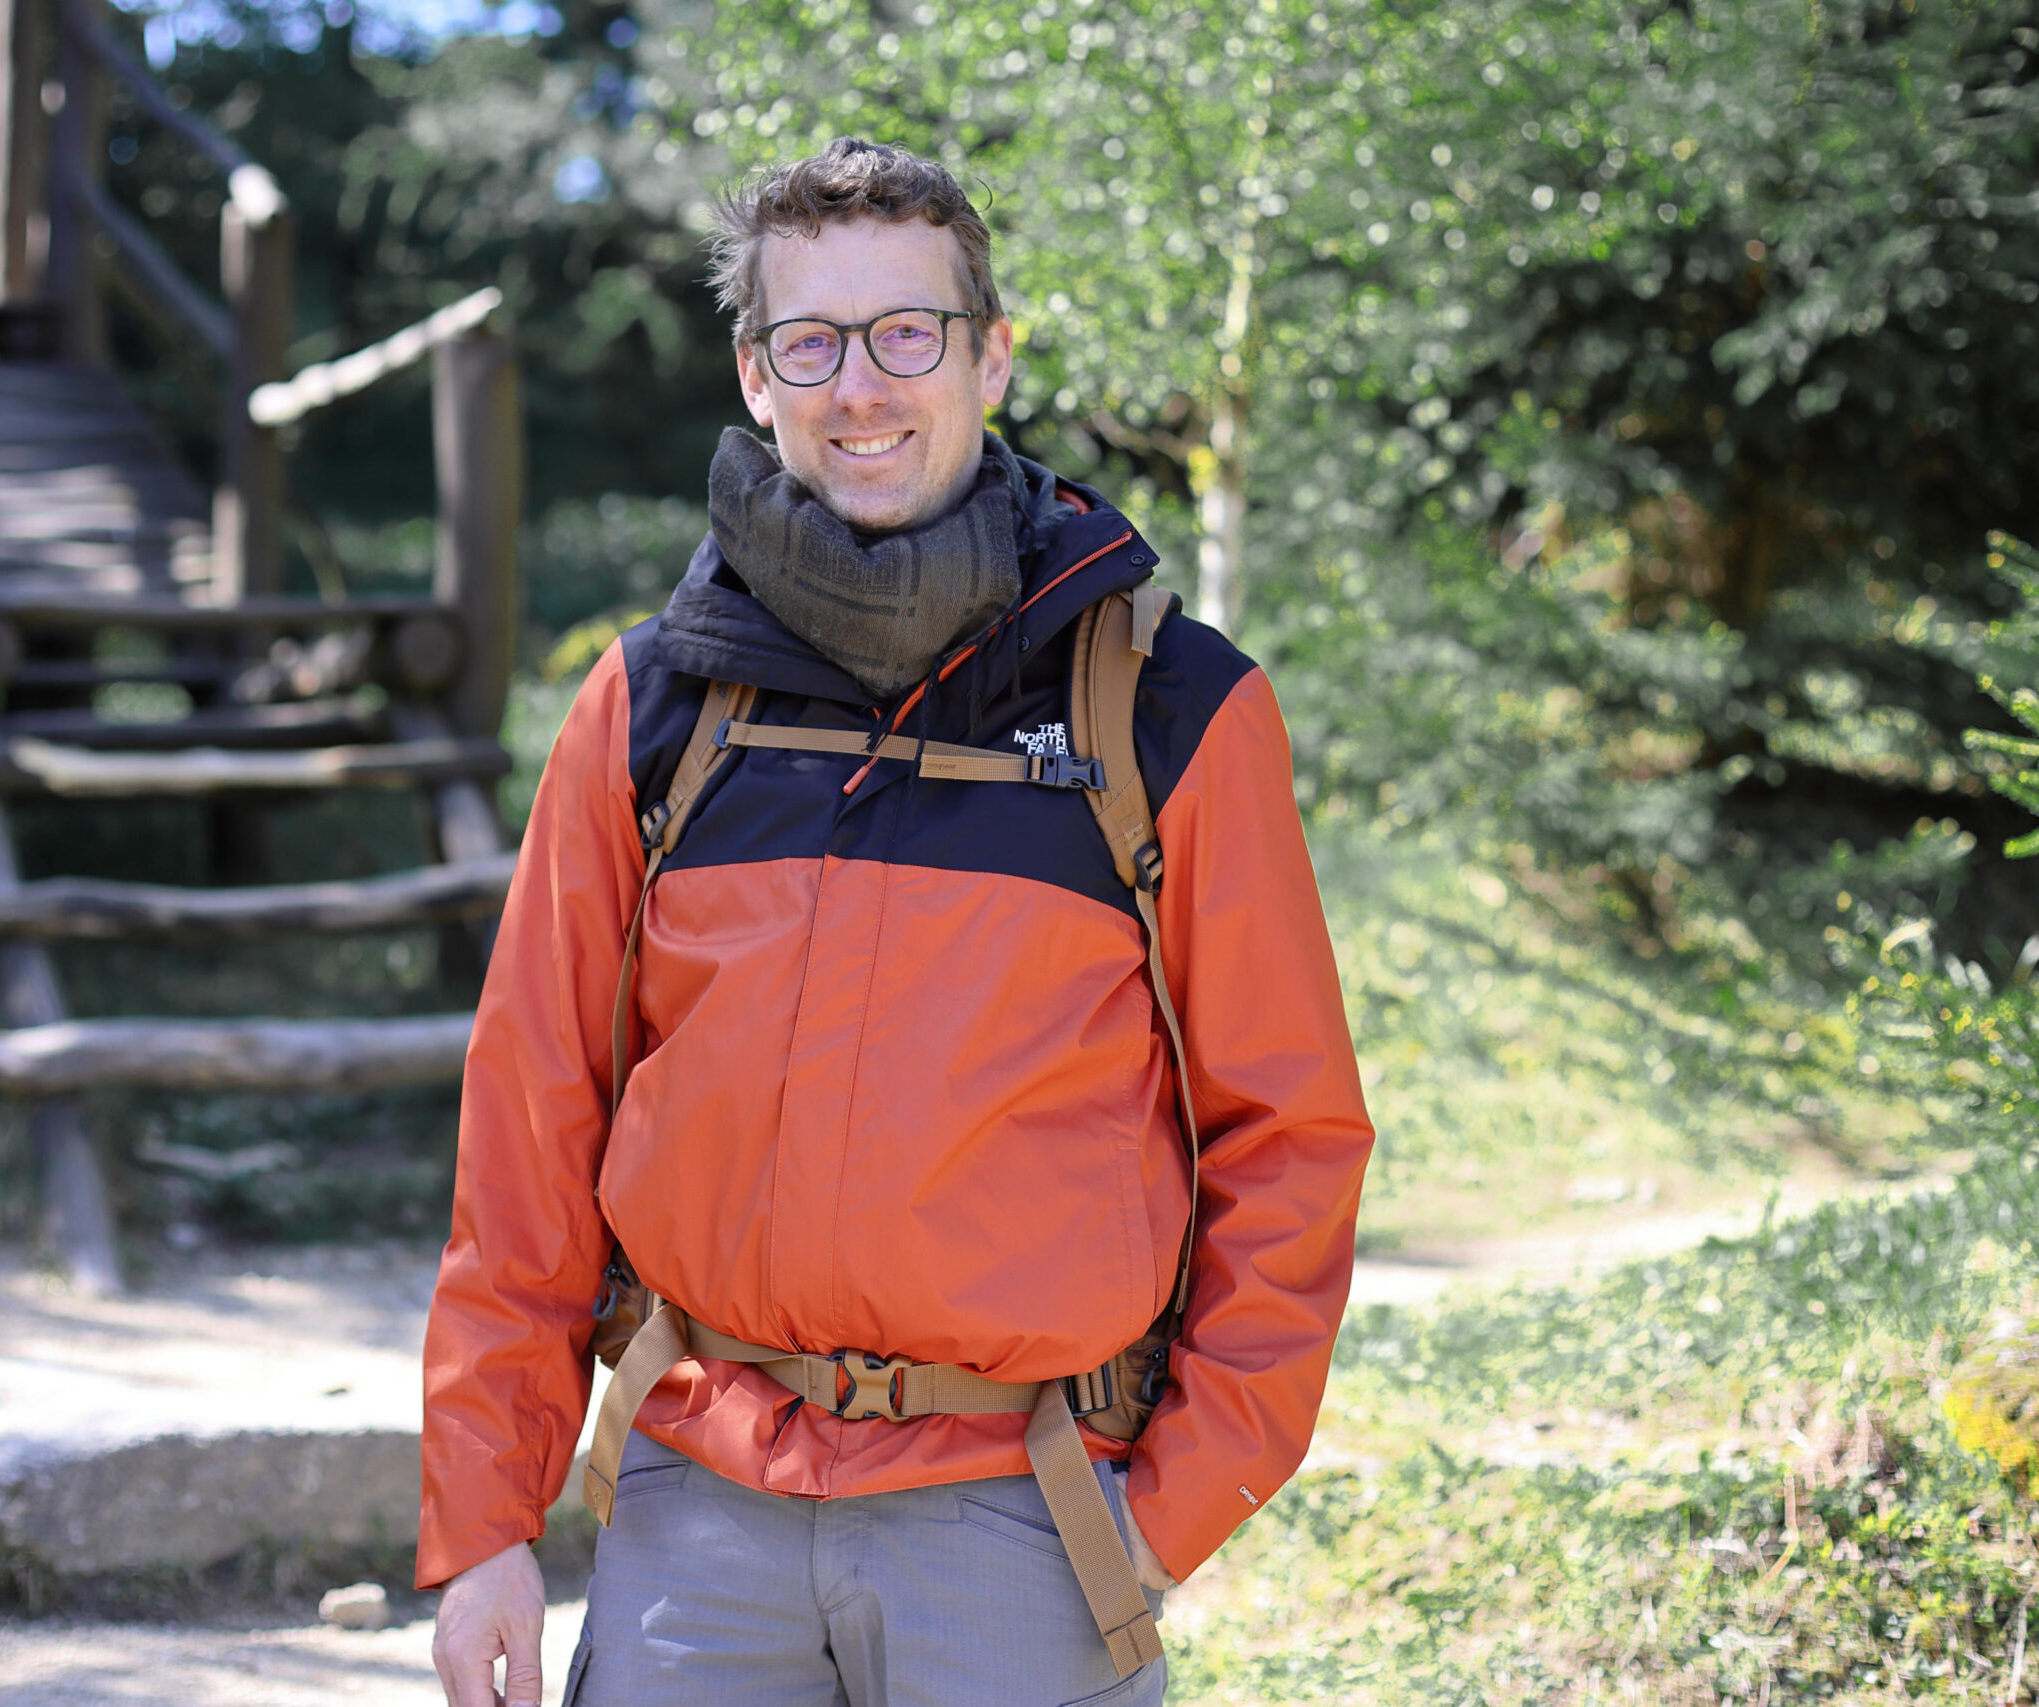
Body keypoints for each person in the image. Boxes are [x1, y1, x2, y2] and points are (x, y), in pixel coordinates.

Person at [420, 136, 1375, 1707]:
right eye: (813, 341)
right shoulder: (654, 706)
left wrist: (1167, 1517)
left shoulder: (1172, 710)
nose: (860, 386)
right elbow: (529, 1128)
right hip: (697, 1509)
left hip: (1023, 1521)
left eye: (907, 333)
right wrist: (482, 1523)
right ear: (755, 374)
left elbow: (1293, 1137)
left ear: (991, 357)